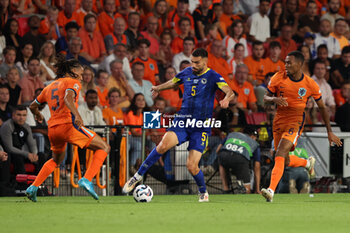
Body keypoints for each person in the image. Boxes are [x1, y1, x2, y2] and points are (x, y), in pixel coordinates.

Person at [122, 48, 235, 202]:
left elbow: (230, 91)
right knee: (162, 146)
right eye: (192, 61)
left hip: (201, 126)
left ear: (205, 61)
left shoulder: (213, 76)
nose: (193, 65)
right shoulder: (186, 72)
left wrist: (226, 99)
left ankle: (203, 192)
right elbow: (174, 82)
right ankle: (136, 176)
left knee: (191, 166)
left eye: (197, 62)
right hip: (182, 120)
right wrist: (158, 88)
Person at [261, 51, 342, 202]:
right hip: (278, 121)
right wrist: (274, 99)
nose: (286, 65)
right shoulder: (278, 77)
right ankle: (306, 162)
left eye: (289, 62)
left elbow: (323, 108)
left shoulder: (310, 84)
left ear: (299, 65)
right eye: (285, 62)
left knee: (280, 151)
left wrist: (329, 131)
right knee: (281, 160)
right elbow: (265, 98)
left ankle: (271, 190)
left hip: (295, 122)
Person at [25, 59, 110, 202]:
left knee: (55, 160)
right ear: (73, 71)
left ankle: (33, 187)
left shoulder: (49, 86)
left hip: (53, 129)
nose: (82, 78)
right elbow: (68, 98)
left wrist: (38, 114)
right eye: (81, 74)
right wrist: (77, 115)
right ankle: (87, 179)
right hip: (69, 126)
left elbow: (33, 105)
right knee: (104, 147)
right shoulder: (73, 82)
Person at [0, 105, 43, 175]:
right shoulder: (7, 126)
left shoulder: (26, 126)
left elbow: (32, 144)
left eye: (24, 115)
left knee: (41, 156)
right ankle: (22, 185)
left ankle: (38, 183)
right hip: (9, 154)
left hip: (22, 153)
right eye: (19, 115)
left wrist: (34, 155)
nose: (21, 118)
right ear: (13, 115)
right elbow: (9, 148)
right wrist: (27, 154)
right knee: (18, 157)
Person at [217, 126, 261, 194]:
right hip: (240, 160)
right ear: (253, 136)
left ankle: (225, 188)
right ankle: (244, 190)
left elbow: (218, 150)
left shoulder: (232, 134)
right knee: (247, 190)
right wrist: (257, 189)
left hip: (224, 156)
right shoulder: (254, 143)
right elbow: (257, 167)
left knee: (222, 161)